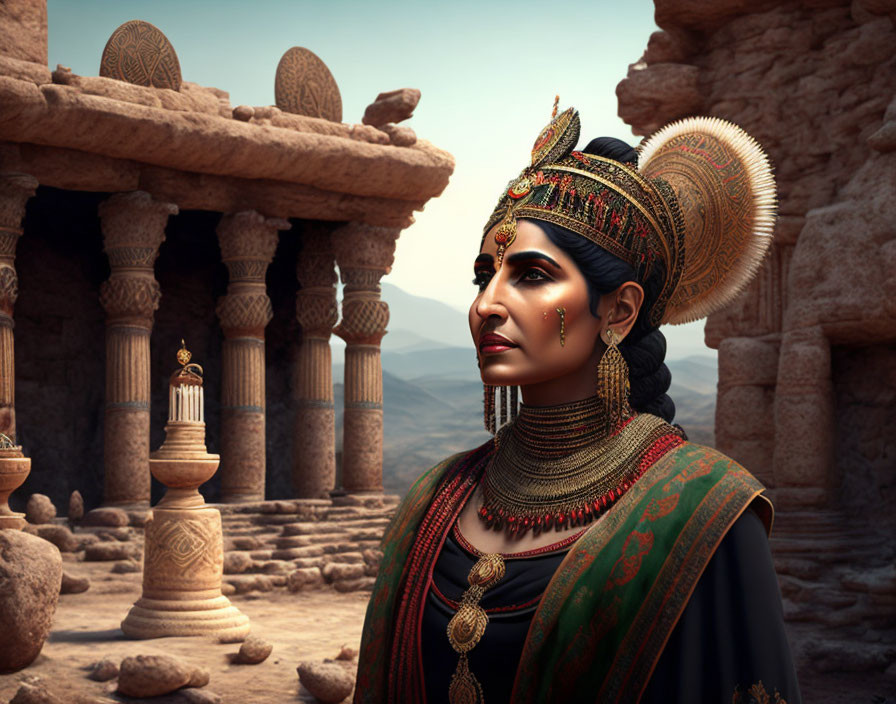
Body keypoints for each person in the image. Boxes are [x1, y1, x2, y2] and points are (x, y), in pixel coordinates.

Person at [354, 102, 801, 703]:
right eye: (483, 276)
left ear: (618, 310)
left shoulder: (706, 513)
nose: (488, 303)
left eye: (531, 275)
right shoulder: (437, 497)